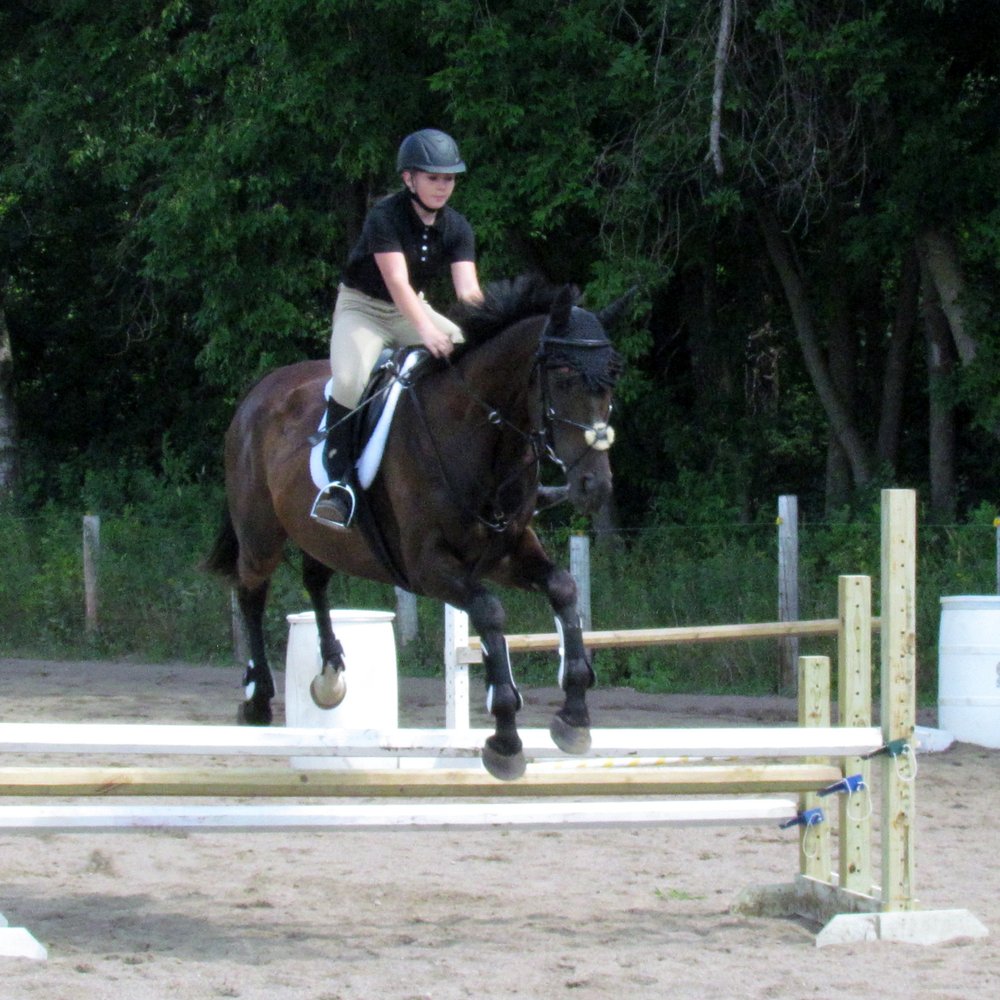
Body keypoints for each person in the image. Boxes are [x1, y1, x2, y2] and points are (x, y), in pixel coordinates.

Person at [311, 128, 483, 528]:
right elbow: (397, 283)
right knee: (351, 380)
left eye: (449, 178)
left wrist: (485, 331)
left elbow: (469, 293)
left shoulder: (457, 227)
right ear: (409, 179)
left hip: (411, 311)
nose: (443, 186)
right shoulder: (385, 217)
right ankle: (338, 485)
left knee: (469, 358)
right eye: (433, 178)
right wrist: (425, 330)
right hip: (364, 310)